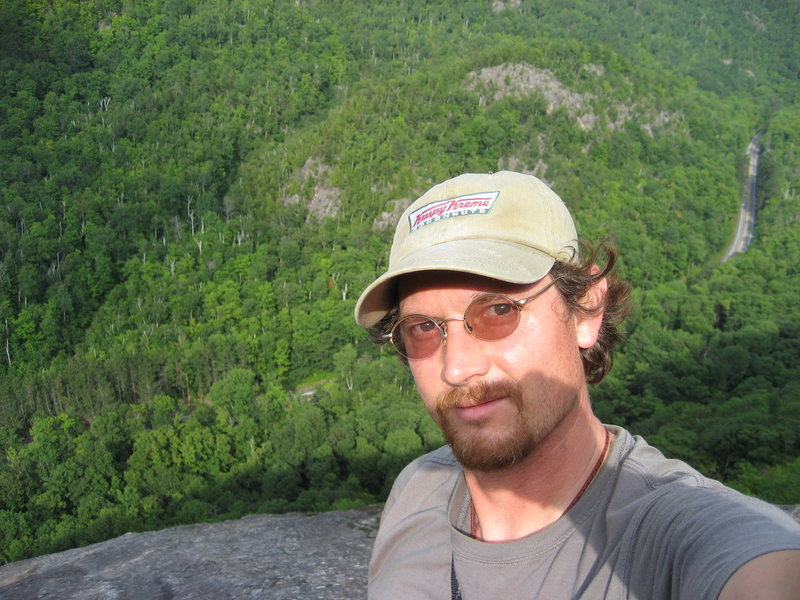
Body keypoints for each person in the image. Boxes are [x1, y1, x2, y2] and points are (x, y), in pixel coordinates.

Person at [354, 171, 800, 599]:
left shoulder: (673, 535)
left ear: (586, 309)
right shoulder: (417, 492)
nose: (457, 368)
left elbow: (759, 566)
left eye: (497, 311)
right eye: (424, 328)